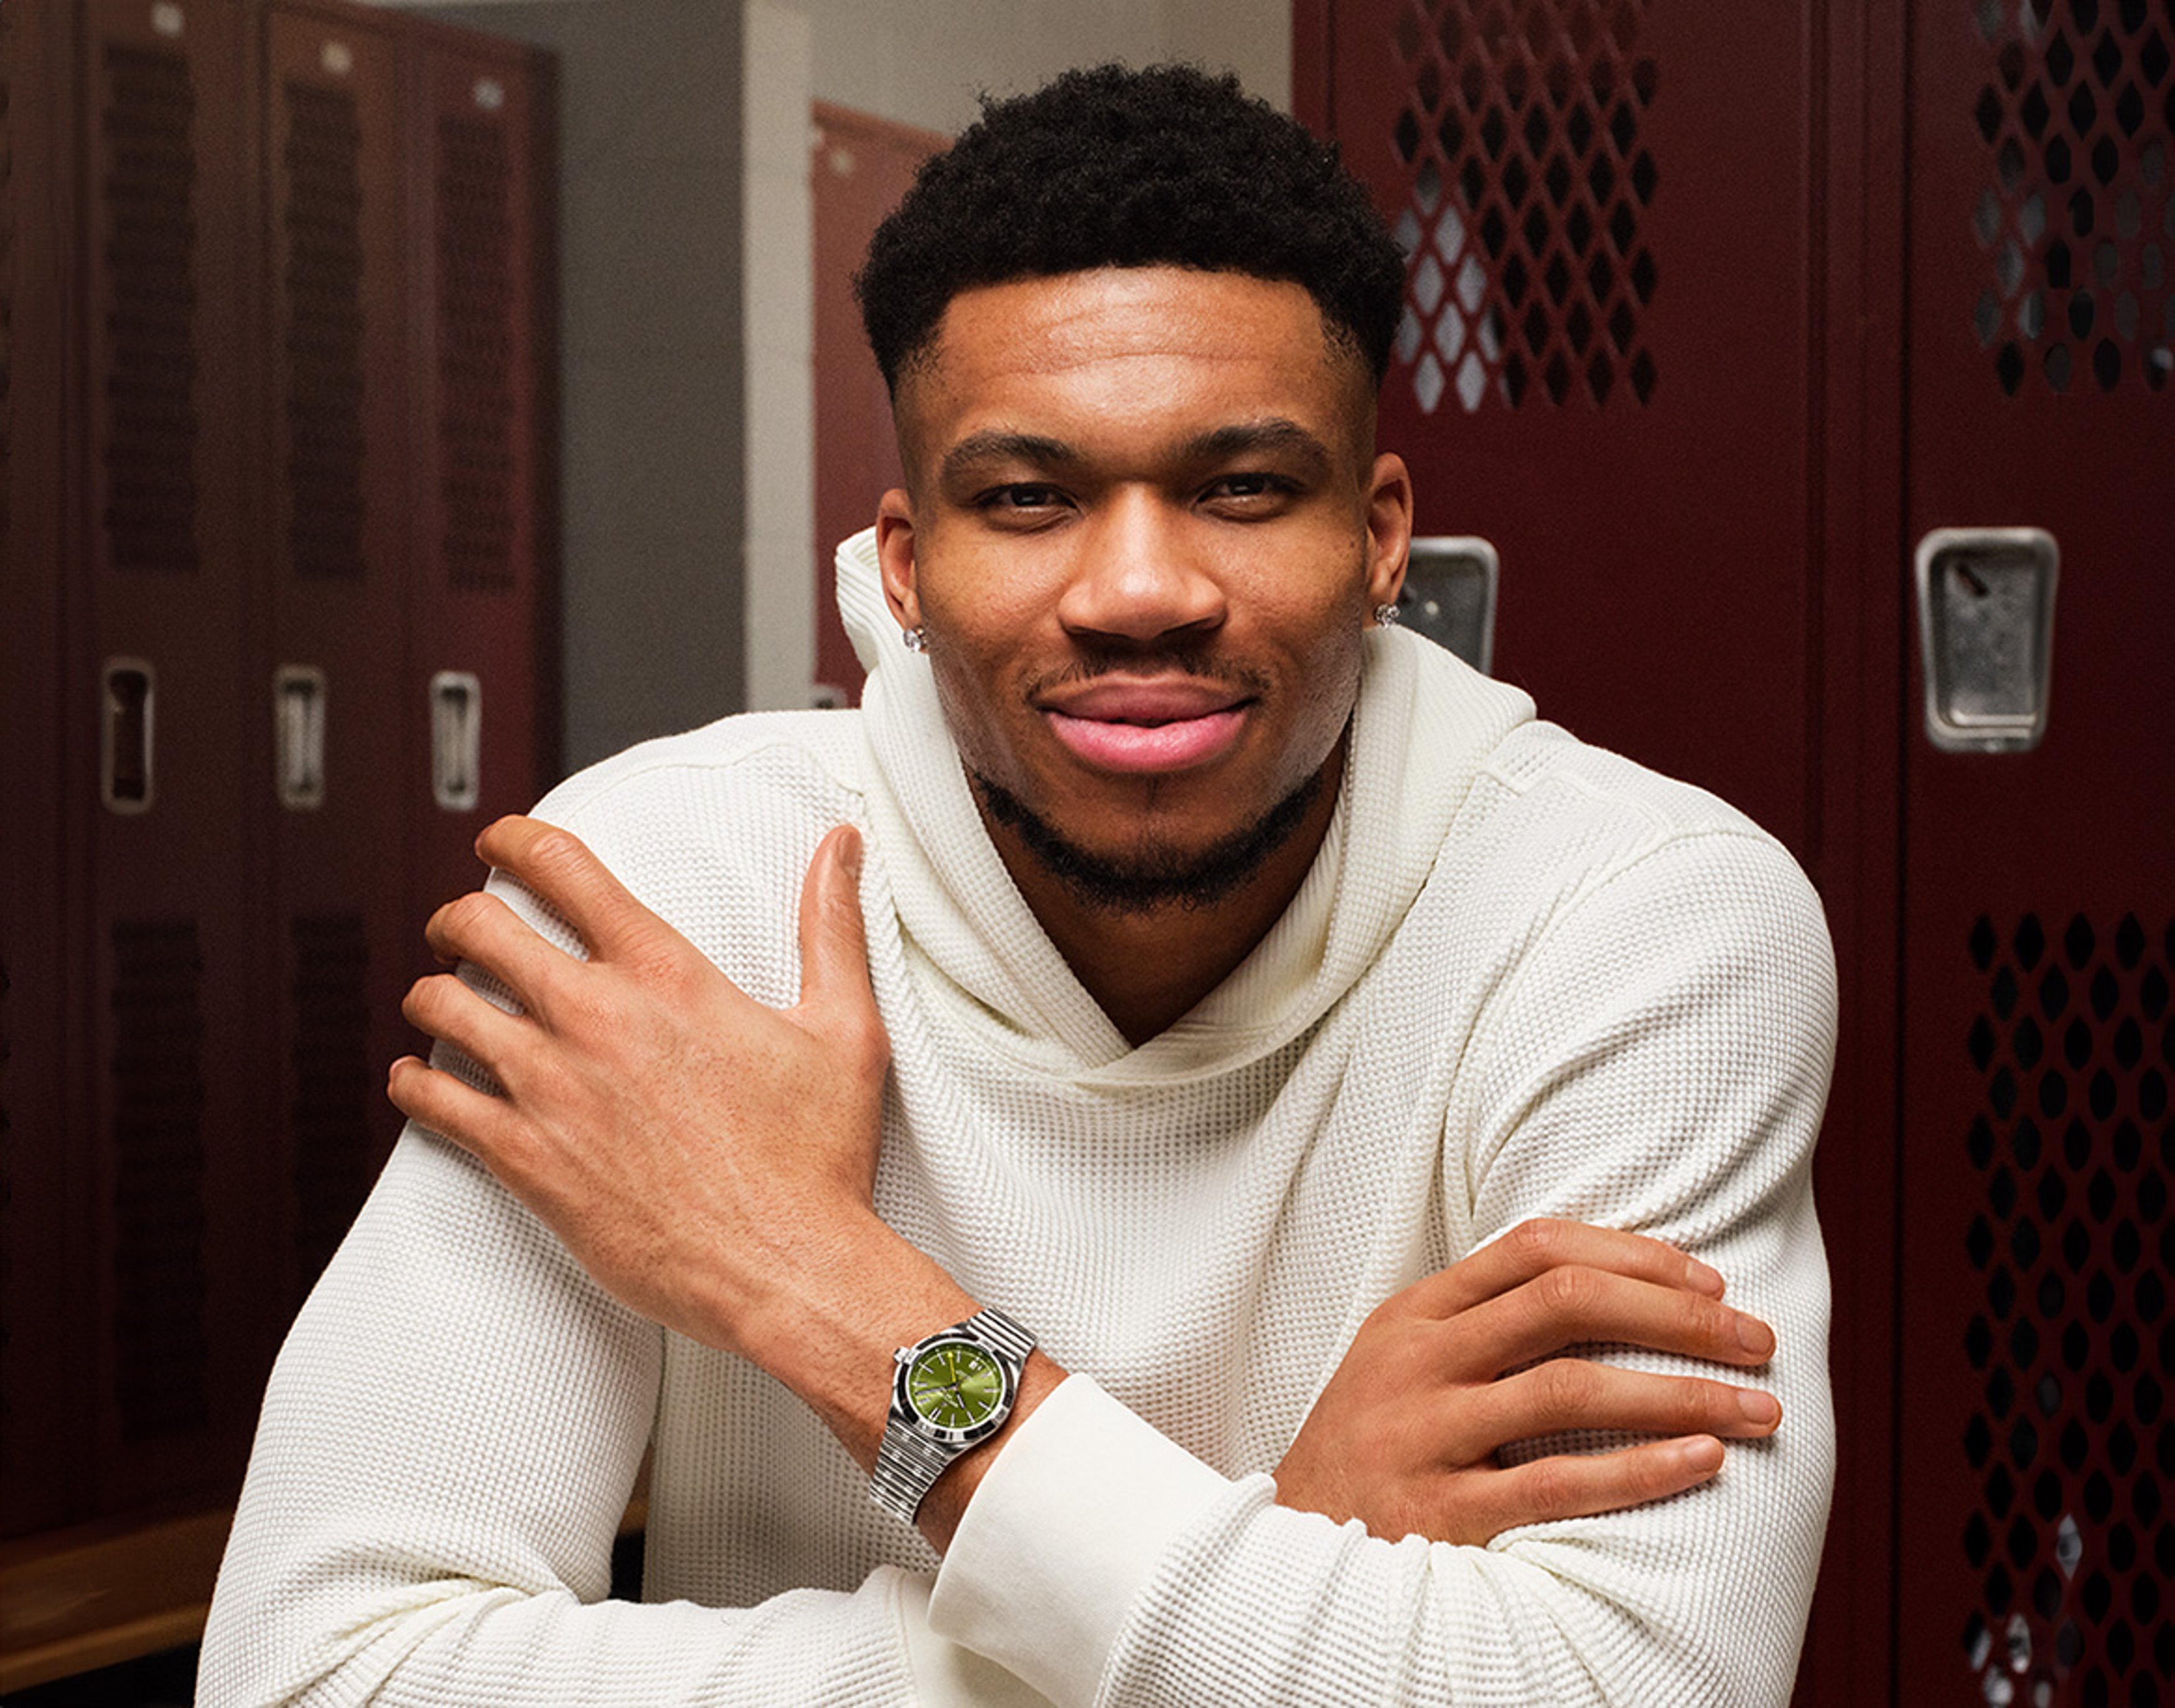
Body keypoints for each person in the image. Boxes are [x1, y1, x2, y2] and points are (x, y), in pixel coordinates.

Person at [200, 63, 1836, 1707]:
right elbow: (314, 1673)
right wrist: (1257, 1552)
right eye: (1030, 498)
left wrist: (820, 1279)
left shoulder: (1633, 926)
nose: (1138, 589)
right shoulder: (668, 898)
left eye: (1241, 486)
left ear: (1381, 533)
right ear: (907, 564)